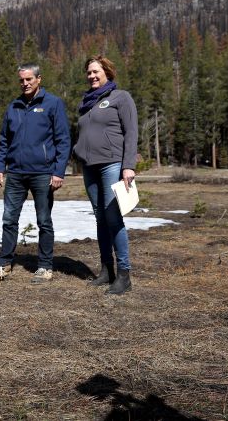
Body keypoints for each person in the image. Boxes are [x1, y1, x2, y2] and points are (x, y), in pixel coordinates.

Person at [0, 63, 71, 285]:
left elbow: (63, 140)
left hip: (43, 173)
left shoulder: (53, 104)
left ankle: (44, 266)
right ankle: (4, 263)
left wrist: (58, 171)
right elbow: (4, 140)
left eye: (29, 79)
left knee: (44, 221)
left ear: (39, 79)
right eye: (21, 80)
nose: (25, 83)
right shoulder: (14, 106)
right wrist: (0, 167)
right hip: (16, 174)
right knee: (9, 219)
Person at [73, 55, 138, 295]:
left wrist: (128, 165)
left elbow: (131, 132)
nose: (91, 76)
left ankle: (124, 274)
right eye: (88, 72)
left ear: (107, 72)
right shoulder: (86, 102)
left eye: (95, 71)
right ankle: (106, 269)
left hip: (112, 163)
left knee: (113, 218)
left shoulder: (121, 97)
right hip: (89, 166)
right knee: (100, 218)